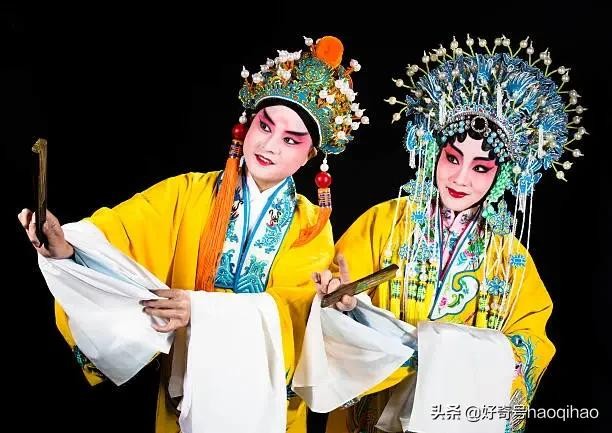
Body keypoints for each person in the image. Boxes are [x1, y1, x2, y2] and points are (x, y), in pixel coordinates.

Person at [18, 35, 368, 433]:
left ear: (310, 156)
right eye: (264, 126)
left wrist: (331, 306)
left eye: (290, 140)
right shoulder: (186, 193)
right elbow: (120, 237)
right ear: (247, 124)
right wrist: (67, 250)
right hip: (186, 389)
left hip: (266, 401)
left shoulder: (311, 225)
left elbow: (293, 313)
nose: (269, 146)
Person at [311, 34, 586, 433]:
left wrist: (475, 355)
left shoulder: (509, 260)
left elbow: (530, 342)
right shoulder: (383, 222)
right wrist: (342, 302)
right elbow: (334, 296)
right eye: (453, 158)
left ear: (502, 176)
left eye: (481, 168)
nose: (460, 178)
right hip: (373, 410)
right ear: (434, 153)